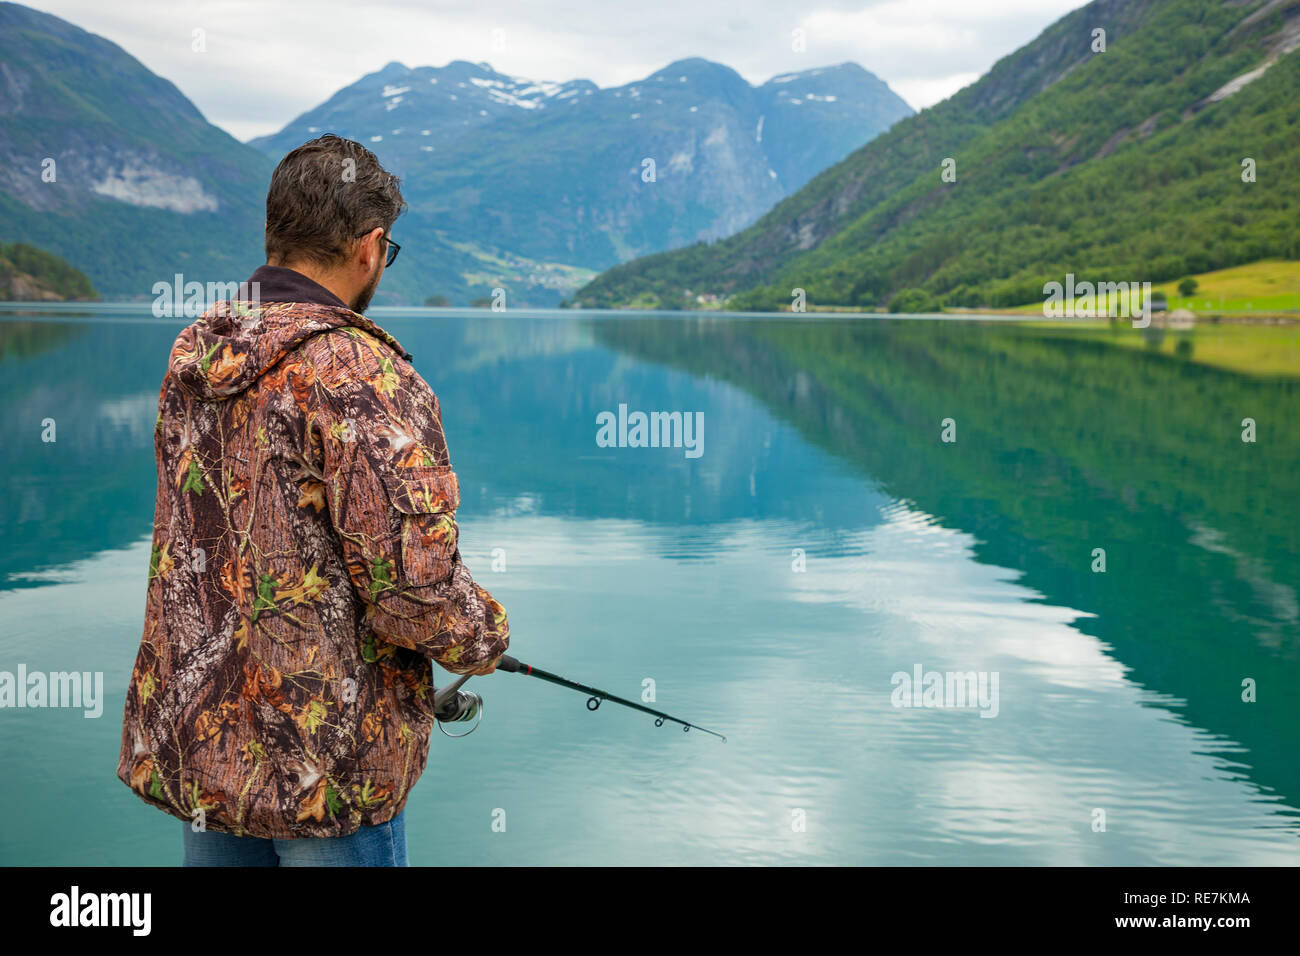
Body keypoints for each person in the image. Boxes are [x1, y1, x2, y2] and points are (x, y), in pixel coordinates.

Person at [115, 134, 509, 866]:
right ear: (371, 245)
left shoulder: (194, 355)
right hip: (327, 773)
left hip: (209, 753)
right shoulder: (358, 375)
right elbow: (411, 591)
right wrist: (485, 635)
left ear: (276, 234)